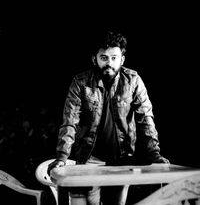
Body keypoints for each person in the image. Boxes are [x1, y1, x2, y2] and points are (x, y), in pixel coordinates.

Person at [48, 30, 169, 205]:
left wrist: (155, 155)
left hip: (122, 159)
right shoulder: (80, 82)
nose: (109, 63)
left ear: (122, 59)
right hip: (90, 158)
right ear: (94, 59)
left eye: (114, 58)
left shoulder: (133, 81)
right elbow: (70, 120)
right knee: (90, 202)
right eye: (104, 58)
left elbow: (146, 119)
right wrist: (61, 157)